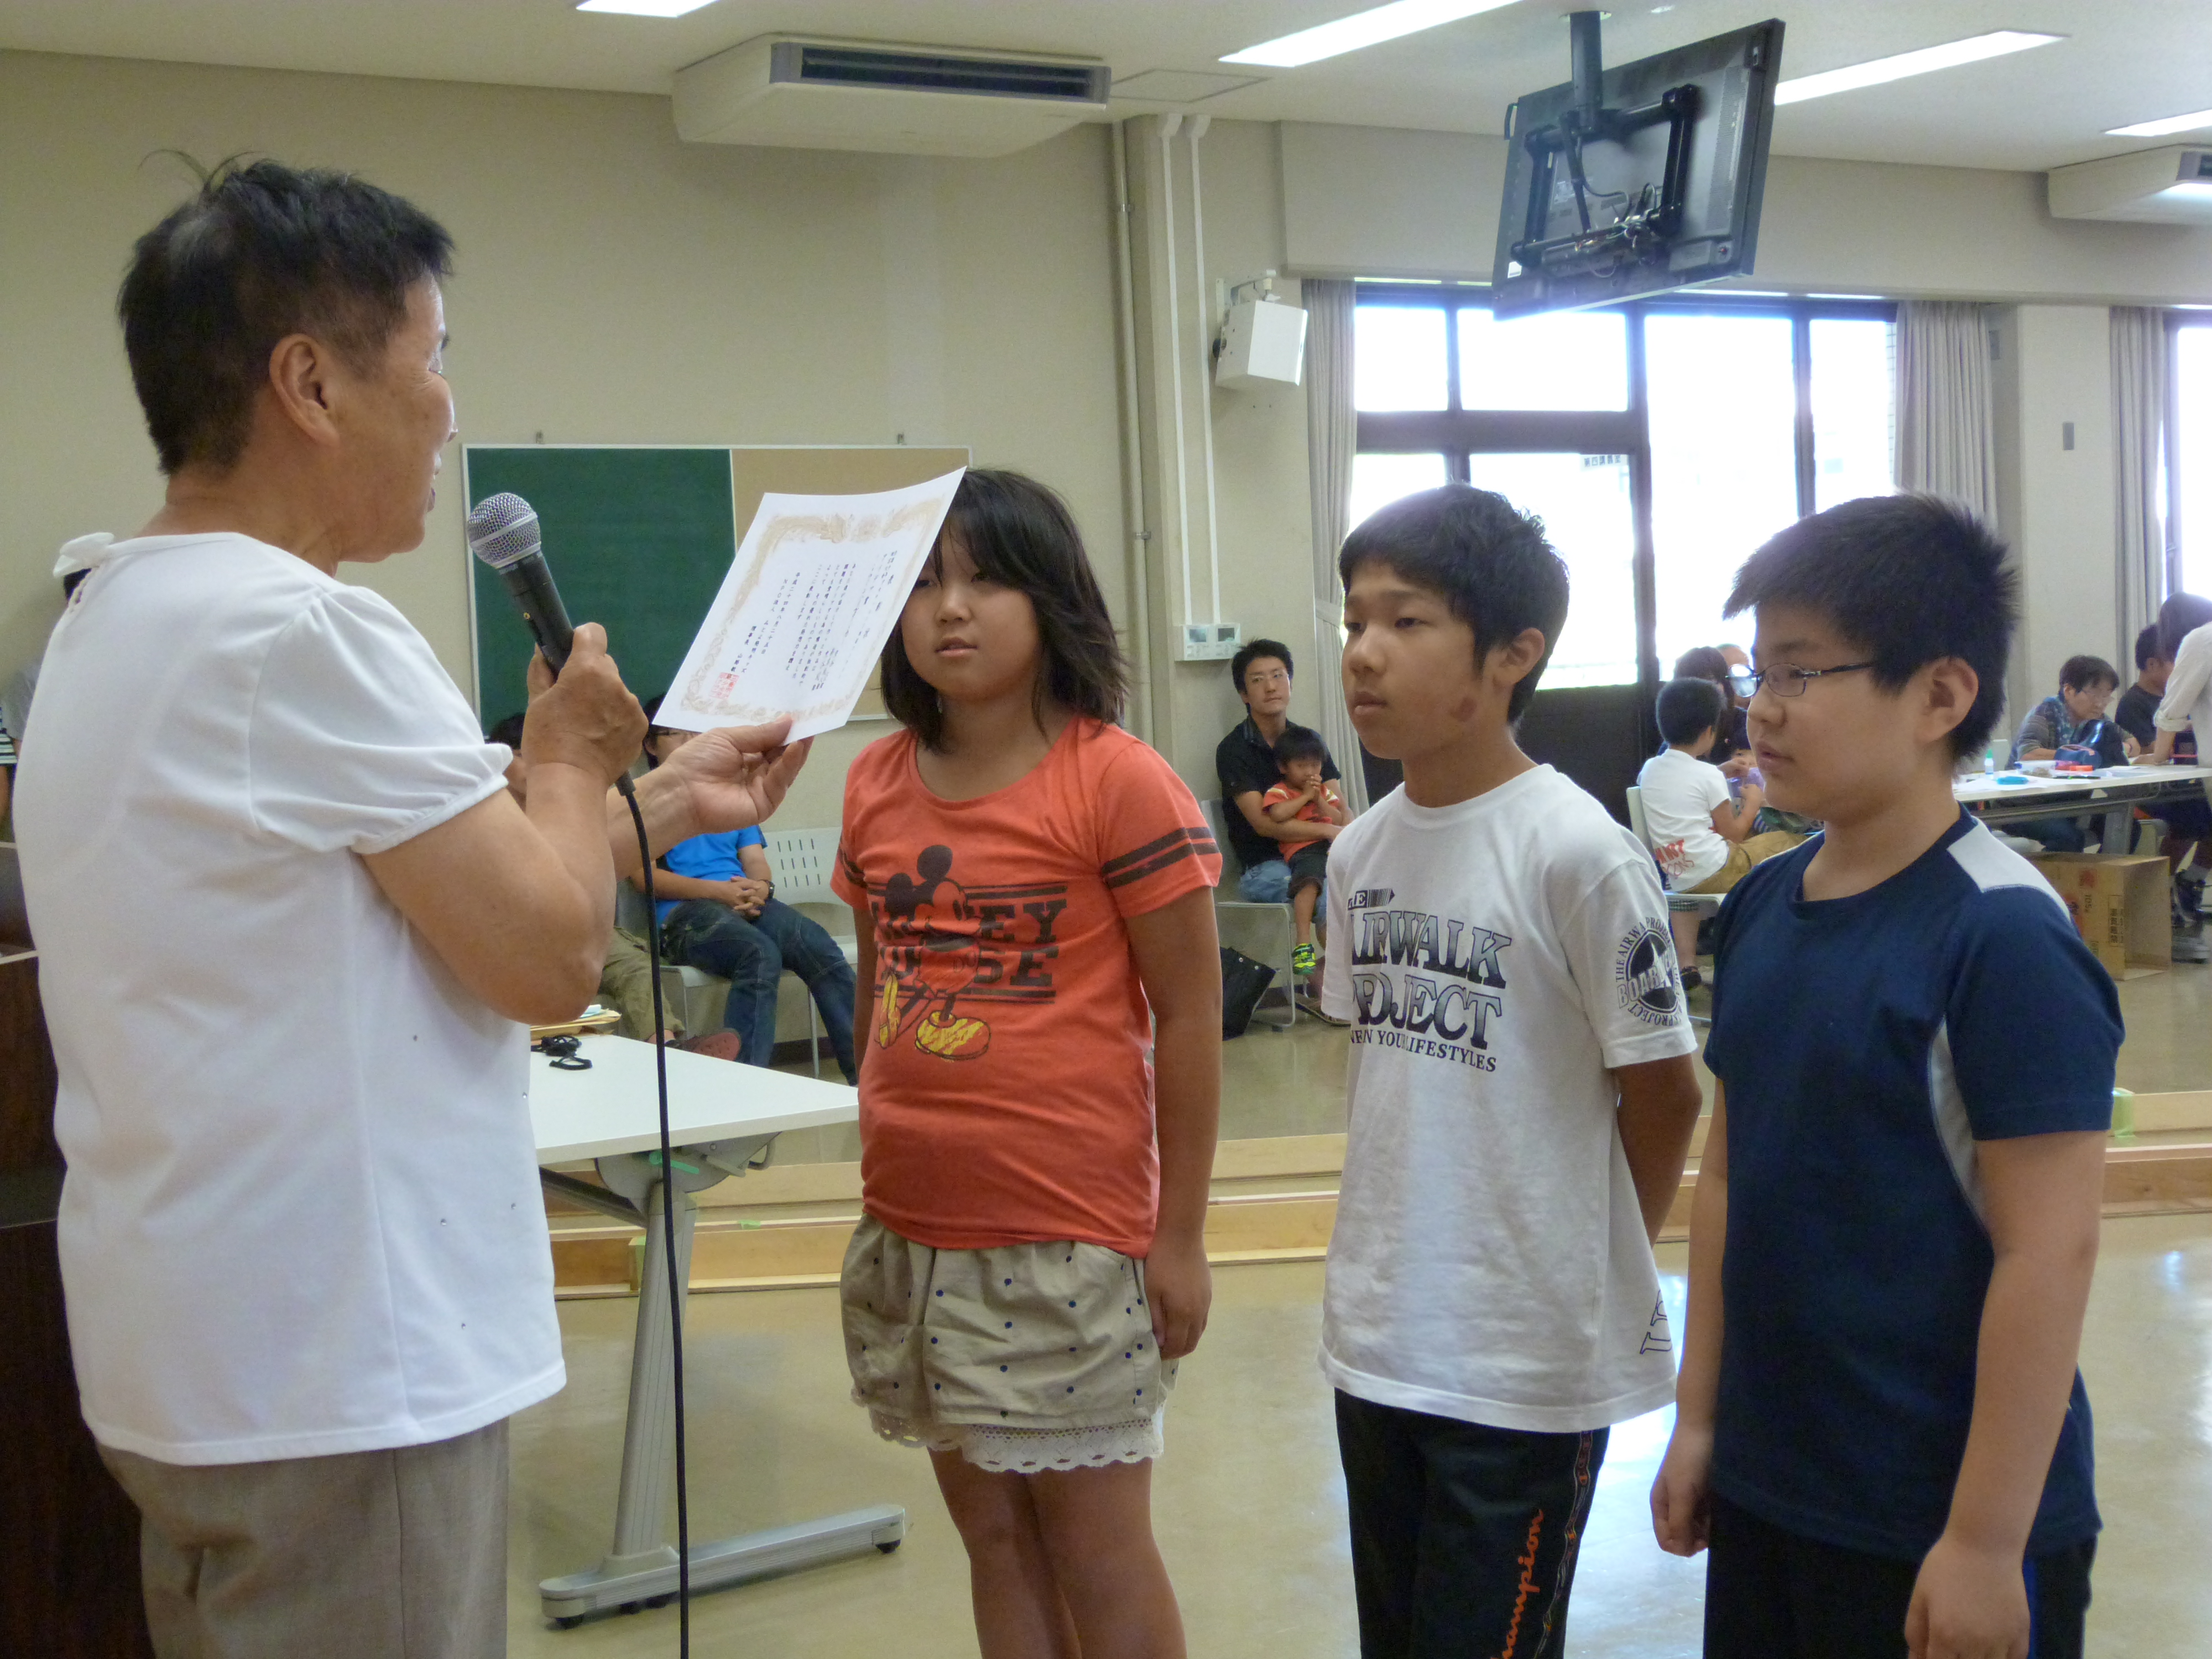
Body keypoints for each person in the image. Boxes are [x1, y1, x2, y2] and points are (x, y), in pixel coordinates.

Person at [12, 159, 808, 1659]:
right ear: (310, 383)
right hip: (341, 1371)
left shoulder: (117, 614)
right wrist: (570, 757)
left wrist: (658, 802)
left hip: (200, 1351)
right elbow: (548, 957)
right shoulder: (304, 634)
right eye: (433, 358)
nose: (448, 410)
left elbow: (403, 889)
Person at [1651, 494, 2120, 1659]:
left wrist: (1984, 1542)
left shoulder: (2001, 935)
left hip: (1936, 1513)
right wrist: (1700, 1420)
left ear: (1940, 696)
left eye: (1802, 672)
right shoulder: (1764, 901)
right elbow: (1730, 1176)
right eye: (1759, 671)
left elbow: (2048, 1252)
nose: (1761, 707)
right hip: (1772, 1484)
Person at [832, 469, 1221, 1659]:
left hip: (1068, 1237)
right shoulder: (874, 780)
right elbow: (878, 989)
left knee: (1096, 1553)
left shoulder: (1117, 779)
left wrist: (1179, 1236)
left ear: (1050, 600)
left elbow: (1189, 1016)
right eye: (922, 583)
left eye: (986, 579)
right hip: (915, 1229)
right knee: (994, 1543)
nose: (950, 608)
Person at [1321, 484, 1704, 1656]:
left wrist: (1582, 1268)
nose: (1364, 653)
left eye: (1406, 621)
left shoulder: (1578, 854)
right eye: (1354, 620)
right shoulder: (1358, 851)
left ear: (1512, 655)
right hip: (1378, 1339)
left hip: (1523, 1361)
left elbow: (1666, 1092)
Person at [641, 701, 859, 1083]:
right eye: (676, 733)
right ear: (650, 745)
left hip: (742, 900)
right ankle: (745, 1085)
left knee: (817, 945)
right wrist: (718, 893)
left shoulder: (728, 794)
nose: (690, 741)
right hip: (684, 915)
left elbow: (755, 859)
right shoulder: (640, 801)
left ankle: (866, 1075)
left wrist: (761, 887)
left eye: (697, 732)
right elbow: (646, 880)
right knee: (758, 954)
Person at [1636, 676, 1803, 989]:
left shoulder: (1650, 769)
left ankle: (1687, 965)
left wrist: (1719, 771)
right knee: (1791, 842)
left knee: (1688, 894)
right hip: (1718, 869)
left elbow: (1684, 781)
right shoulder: (1706, 776)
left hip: (1678, 877)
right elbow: (1734, 835)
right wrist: (1753, 803)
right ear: (1708, 732)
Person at [1215, 638, 1346, 901]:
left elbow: (1341, 808)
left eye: (1278, 676)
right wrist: (1327, 831)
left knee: (1364, 887)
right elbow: (1264, 824)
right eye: (1258, 680)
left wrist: (1349, 834)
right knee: (1326, 899)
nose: (1271, 687)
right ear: (1244, 694)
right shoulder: (1234, 749)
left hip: (1318, 853)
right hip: (1266, 865)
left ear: (1290, 683)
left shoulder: (1308, 742)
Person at [2114, 621, 2212, 959]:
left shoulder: (2185, 694)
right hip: (2154, 791)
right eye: (2172, 660)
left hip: (2186, 785)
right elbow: (2145, 749)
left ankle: (2192, 880)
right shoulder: (2134, 703)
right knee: (2189, 820)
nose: (2178, 667)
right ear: (2152, 664)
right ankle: (2161, 891)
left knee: (2203, 814)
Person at [1261, 726, 1349, 975]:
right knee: (1310, 885)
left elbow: (1338, 818)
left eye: (1315, 765)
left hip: (1330, 847)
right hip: (1304, 850)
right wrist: (1304, 797)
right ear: (1284, 767)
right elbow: (1278, 815)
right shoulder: (1280, 791)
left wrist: (1318, 799)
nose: (1310, 772)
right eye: (1302, 766)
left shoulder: (1324, 793)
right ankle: (1303, 943)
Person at [1674, 644, 1752, 775]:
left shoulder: (1742, 721)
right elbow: (1671, 776)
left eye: (1713, 681)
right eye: (1698, 683)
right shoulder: (1676, 732)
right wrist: (1719, 772)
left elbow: (1754, 768)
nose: (1705, 691)